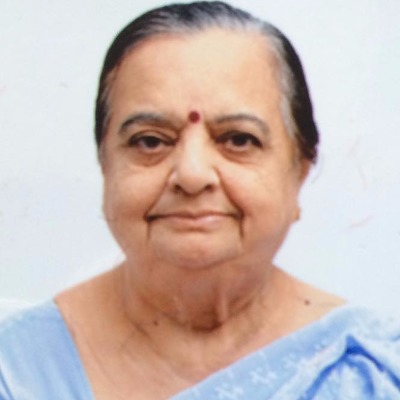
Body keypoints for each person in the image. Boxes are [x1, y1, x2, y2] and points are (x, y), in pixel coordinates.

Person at [0, 2, 399, 399]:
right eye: (150, 141)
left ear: (299, 171)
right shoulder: (16, 372)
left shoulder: (376, 373)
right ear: (105, 165)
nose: (192, 175)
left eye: (238, 139)